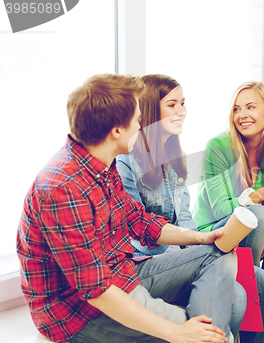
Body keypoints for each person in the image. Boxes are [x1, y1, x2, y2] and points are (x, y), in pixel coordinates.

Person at [17, 74, 244, 343]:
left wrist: (200, 237)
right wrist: (178, 332)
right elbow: (97, 291)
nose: (142, 125)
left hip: (122, 274)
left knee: (219, 253)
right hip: (79, 313)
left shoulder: (102, 162)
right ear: (117, 130)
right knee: (216, 331)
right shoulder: (63, 189)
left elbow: (139, 221)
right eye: (137, 120)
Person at [116, 74, 264, 342]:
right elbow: (134, 230)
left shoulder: (173, 156)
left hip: (183, 250)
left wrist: (194, 246)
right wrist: (193, 250)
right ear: (152, 110)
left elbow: (184, 216)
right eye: (173, 105)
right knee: (235, 296)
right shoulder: (126, 161)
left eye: (183, 103)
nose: (182, 111)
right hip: (150, 260)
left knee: (262, 283)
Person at [192, 81, 264, 329]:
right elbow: (221, 209)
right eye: (237, 109)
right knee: (259, 213)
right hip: (212, 227)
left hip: (250, 230)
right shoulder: (218, 146)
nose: (242, 115)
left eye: (250, 107)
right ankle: (251, 286)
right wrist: (263, 193)